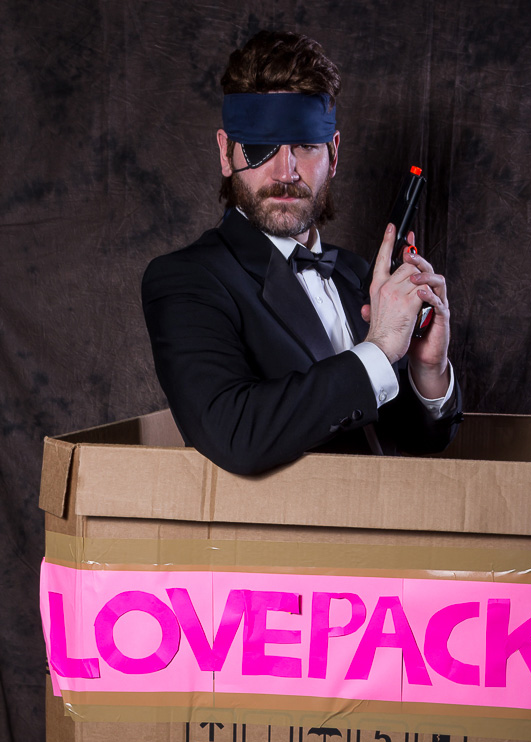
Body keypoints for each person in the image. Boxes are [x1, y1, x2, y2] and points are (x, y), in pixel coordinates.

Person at [142, 31, 462, 476]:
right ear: (226, 153)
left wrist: (429, 369)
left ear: (333, 154)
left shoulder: (359, 276)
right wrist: (380, 347)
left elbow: (413, 440)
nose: (285, 171)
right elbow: (234, 435)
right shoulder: (184, 280)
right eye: (260, 147)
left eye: (305, 146)